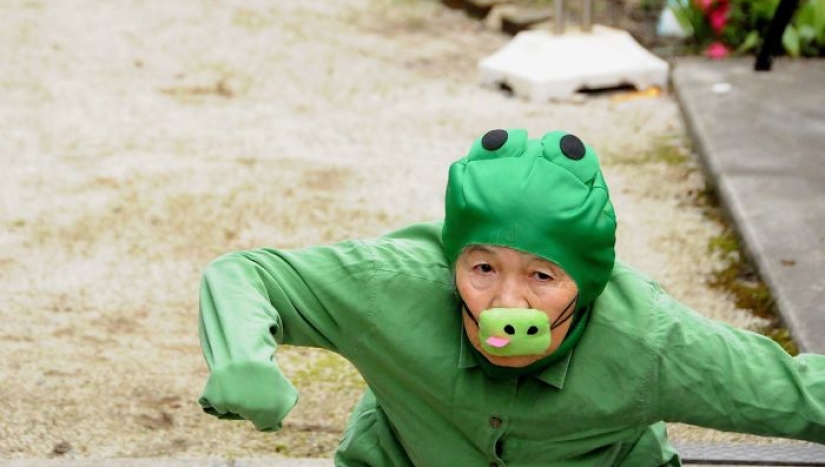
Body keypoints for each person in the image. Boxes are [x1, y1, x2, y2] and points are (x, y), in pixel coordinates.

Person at [198, 128, 825, 466]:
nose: (509, 304)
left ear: (590, 284)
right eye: (482, 269)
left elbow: (795, 393)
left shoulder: (648, 342)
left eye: (543, 277)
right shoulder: (387, 289)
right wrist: (241, 354)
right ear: (453, 261)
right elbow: (247, 274)